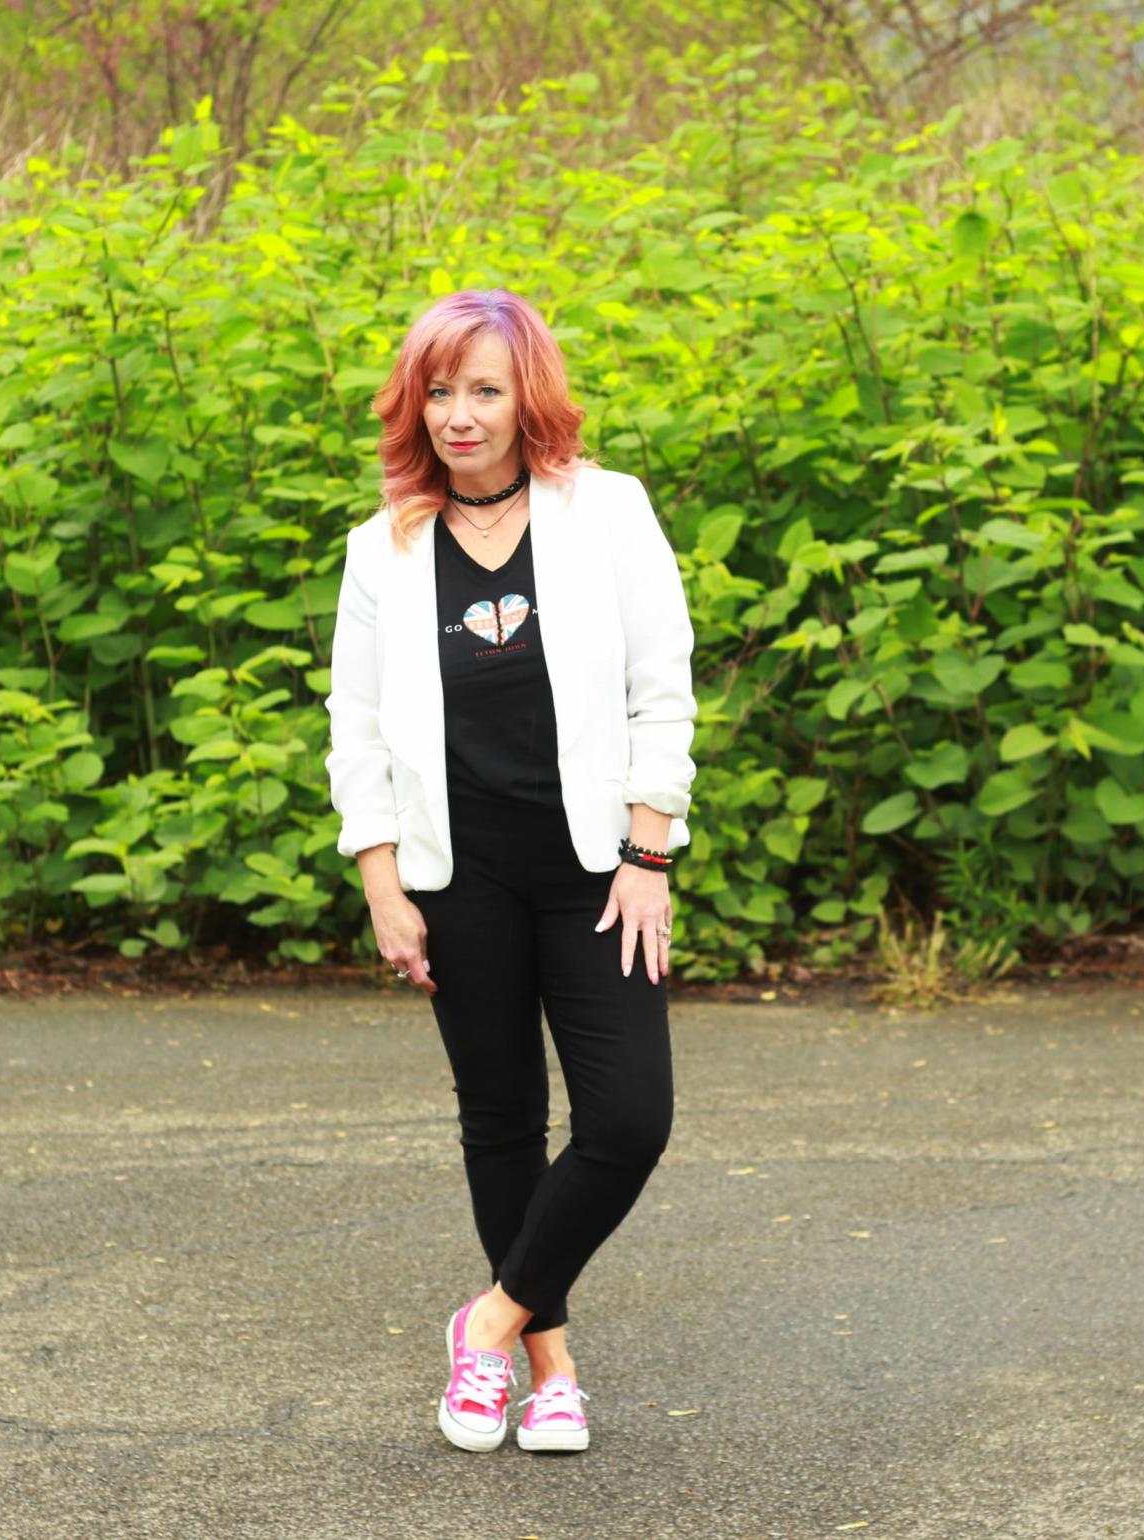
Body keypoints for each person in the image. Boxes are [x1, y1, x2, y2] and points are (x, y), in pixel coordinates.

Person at [322, 289, 699, 1454]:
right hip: (458, 876)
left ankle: (484, 1323)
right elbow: (358, 727)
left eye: (484, 389)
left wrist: (650, 852)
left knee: (629, 1118)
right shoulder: (383, 550)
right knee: (500, 1116)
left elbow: (662, 691)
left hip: (595, 871)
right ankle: (550, 1371)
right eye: (438, 391)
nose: (459, 415)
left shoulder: (607, 513)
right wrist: (382, 881)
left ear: (527, 394)